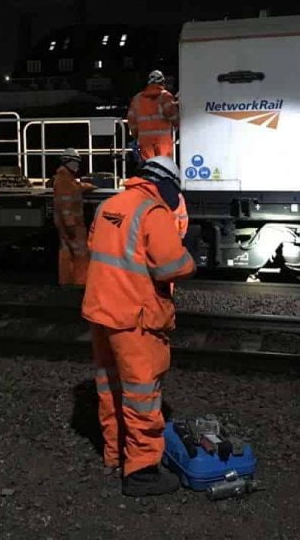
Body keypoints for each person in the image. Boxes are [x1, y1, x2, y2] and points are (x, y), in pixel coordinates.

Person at [82, 155, 196, 497]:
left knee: (110, 388)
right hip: (135, 318)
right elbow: (171, 267)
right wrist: (191, 261)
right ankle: (142, 471)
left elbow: (96, 250)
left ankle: (115, 455)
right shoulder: (152, 211)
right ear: (166, 184)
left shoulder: (108, 206)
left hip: (102, 313)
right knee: (142, 394)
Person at [52, 149, 95, 288]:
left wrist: (86, 186)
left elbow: (75, 188)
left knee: (67, 252)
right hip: (73, 225)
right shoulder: (64, 180)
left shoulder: (66, 178)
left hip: (69, 224)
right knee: (80, 254)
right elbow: (65, 204)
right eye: (75, 162)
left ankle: (66, 282)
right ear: (67, 161)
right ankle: (80, 283)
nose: (77, 165)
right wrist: (70, 225)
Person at [127, 69, 179, 160]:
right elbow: (173, 115)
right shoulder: (165, 96)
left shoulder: (137, 99)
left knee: (149, 168)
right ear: (162, 82)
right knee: (164, 168)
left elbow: (131, 121)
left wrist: (137, 135)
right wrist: (178, 127)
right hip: (163, 141)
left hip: (145, 140)